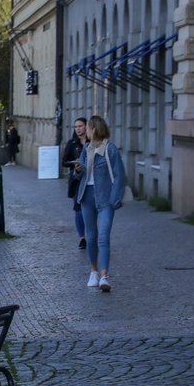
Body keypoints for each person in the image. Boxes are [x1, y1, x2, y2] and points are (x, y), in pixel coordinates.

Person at [74, 115, 126, 292]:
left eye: (87, 128)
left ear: (94, 129)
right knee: (91, 237)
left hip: (105, 199)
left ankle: (104, 276)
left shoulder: (110, 149)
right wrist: (78, 170)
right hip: (86, 197)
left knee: (103, 237)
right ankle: (93, 272)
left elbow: (120, 176)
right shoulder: (86, 148)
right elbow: (79, 174)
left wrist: (114, 200)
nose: (85, 131)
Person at [63, 117, 88, 249]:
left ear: (86, 127)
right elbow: (64, 162)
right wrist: (74, 163)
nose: (78, 129)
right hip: (77, 180)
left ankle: (92, 234)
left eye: (80, 126)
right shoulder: (72, 143)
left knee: (90, 208)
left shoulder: (92, 143)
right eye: (76, 127)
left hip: (90, 179)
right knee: (78, 208)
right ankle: (82, 237)